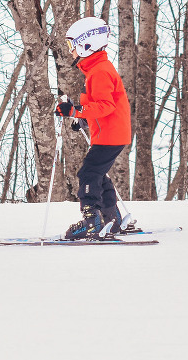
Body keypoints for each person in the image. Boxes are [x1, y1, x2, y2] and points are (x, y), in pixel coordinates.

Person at [55, 16, 131, 239]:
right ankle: (111, 218)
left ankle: (92, 222)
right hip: (111, 132)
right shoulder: (98, 69)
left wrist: (75, 111)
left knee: (88, 173)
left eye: (72, 46)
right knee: (97, 174)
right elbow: (105, 106)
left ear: (86, 45)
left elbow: (105, 106)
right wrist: (84, 119)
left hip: (110, 135)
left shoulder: (99, 72)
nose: (71, 52)